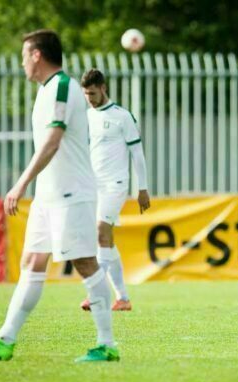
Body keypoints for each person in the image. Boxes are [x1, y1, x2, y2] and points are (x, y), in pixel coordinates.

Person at [0, 30, 119, 362]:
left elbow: (53, 141)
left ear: (37, 55)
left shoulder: (62, 86)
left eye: (24, 56)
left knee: (86, 263)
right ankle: (5, 339)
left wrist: (20, 183)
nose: (22, 64)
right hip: (48, 195)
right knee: (31, 262)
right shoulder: (45, 90)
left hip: (71, 192)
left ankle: (107, 345)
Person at [79, 68, 150, 312]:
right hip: (93, 186)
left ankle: (95, 293)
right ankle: (123, 299)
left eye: (92, 93)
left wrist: (142, 188)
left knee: (101, 231)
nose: (89, 98)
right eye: (86, 94)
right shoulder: (86, 116)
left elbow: (137, 154)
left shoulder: (122, 116)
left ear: (103, 88)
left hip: (115, 184)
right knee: (106, 241)